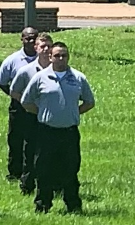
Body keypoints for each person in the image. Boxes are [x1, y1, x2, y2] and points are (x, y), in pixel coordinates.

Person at [20, 41, 95, 213]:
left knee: (70, 169)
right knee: (43, 170)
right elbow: (26, 101)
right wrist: (42, 113)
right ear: (50, 57)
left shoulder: (78, 78)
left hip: (69, 132)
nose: (61, 58)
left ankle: (73, 205)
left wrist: (73, 112)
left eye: (64, 55)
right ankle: (42, 205)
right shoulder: (40, 78)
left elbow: (89, 102)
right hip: (46, 132)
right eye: (57, 56)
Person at [0, 26, 43, 190]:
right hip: (18, 106)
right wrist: (16, 97)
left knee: (36, 140)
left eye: (33, 38)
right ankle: (15, 172)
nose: (30, 41)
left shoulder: (45, 58)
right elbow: (1, 82)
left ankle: (35, 171)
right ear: (21, 39)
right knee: (16, 138)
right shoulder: (12, 60)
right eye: (27, 38)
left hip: (39, 106)